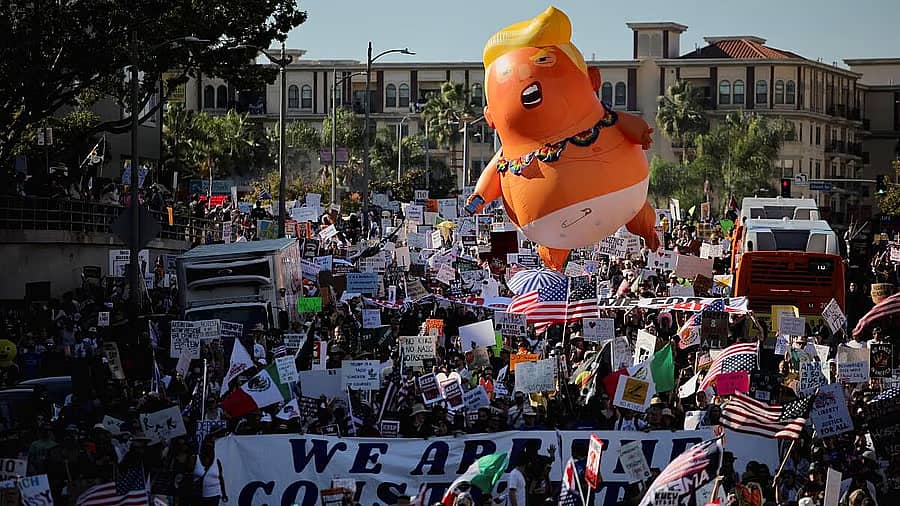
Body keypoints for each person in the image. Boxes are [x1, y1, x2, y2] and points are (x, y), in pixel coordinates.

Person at [193, 437, 227, 505]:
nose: (209, 447)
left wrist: (224, 493)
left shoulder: (217, 461)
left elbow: (221, 478)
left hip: (214, 495)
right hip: (199, 496)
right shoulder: (195, 459)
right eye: (207, 445)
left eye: (211, 446)